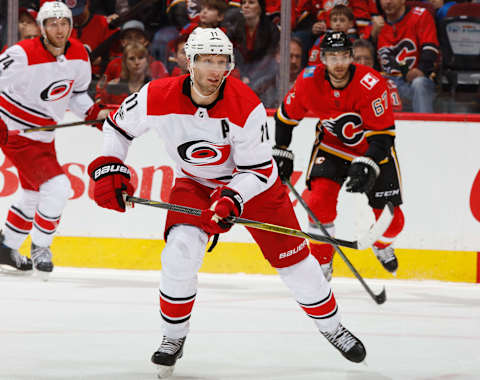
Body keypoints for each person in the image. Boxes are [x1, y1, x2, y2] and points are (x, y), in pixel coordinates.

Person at [87, 27, 366, 378]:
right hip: (196, 182)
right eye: (206, 61)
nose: (215, 70)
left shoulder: (244, 104)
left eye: (222, 62)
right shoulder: (154, 96)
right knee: (179, 252)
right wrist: (111, 168)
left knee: (298, 266)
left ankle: (333, 327)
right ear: (190, 62)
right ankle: (173, 338)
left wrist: (232, 198)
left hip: (255, 190)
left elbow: (260, 171)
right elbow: (116, 128)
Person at [273, 31, 404, 281]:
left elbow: (384, 136)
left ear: (351, 57)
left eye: (343, 56)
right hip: (332, 149)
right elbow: (284, 118)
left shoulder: (372, 83)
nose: (338, 63)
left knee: (393, 221)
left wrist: (368, 162)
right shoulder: (308, 81)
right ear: (322, 58)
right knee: (318, 202)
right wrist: (282, 149)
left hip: (373, 150)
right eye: (332, 57)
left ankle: (381, 244)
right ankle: (322, 262)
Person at [0, 1, 110, 275]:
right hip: (16, 132)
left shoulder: (79, 56)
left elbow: (76, 95)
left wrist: (95, 114)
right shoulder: (21, 54)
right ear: (42, 27)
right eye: (53, 23)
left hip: (44, 136)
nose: (59, 29)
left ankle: (6, 247)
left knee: (31, 193)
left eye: (64, 23)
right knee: (58, 188)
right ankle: (41, 246)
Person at [371, 0, 439, 113]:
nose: (387, 2)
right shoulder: (377, 25)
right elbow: (362, 58)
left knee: (419, 83)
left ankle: (424, 127)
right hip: (387, 82)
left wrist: (421, 70)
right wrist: (372, 37)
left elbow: (430, 48)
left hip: (413, 83)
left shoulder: (420, 15)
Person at [352, 38, 402, 111]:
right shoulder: (338, 85)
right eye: (358, 58)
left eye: (367, 58)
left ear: (372, 61)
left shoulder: (386, 84)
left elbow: (396, 114)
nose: (363, 63)